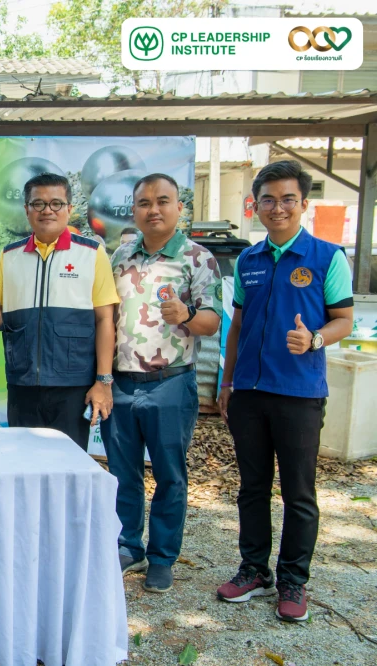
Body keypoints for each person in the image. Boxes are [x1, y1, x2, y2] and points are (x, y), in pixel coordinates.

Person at [216, 160, 354, 622]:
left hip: (298, 393)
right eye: (268, 199)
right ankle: (254, 569)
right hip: (250, 392)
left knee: (298, 493)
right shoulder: (249, 261)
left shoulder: (326, 257)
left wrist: (313, 338)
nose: (277, 207)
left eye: (287, 198)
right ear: (256, 205)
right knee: (251, 488)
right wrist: (227, 380)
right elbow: (237, 325)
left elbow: (344, 320)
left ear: (303, 204)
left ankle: (293, 578)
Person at [102, 173, 222, 594]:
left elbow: (212, 322)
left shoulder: (198, 258)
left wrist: (185, 315)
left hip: (170, 383)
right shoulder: (119, 257)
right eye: (144, 202)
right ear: (133, 209)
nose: (153, 209)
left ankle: (163, 556)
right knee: (122, 472)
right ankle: (128, 546)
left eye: (163, 201)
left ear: (179, 208)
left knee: (170, 474)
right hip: (120, 383)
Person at [0, 173, 119, 449]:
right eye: (38, 204)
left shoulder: (91, 254)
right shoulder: (9, 256)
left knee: (68, 469)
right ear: (26, 210)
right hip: (23, 384)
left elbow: (105, 319)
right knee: (24, 468)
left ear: (70, 209)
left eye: (56, 203)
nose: (47, 211)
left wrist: (103, 381)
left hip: (73, 386)